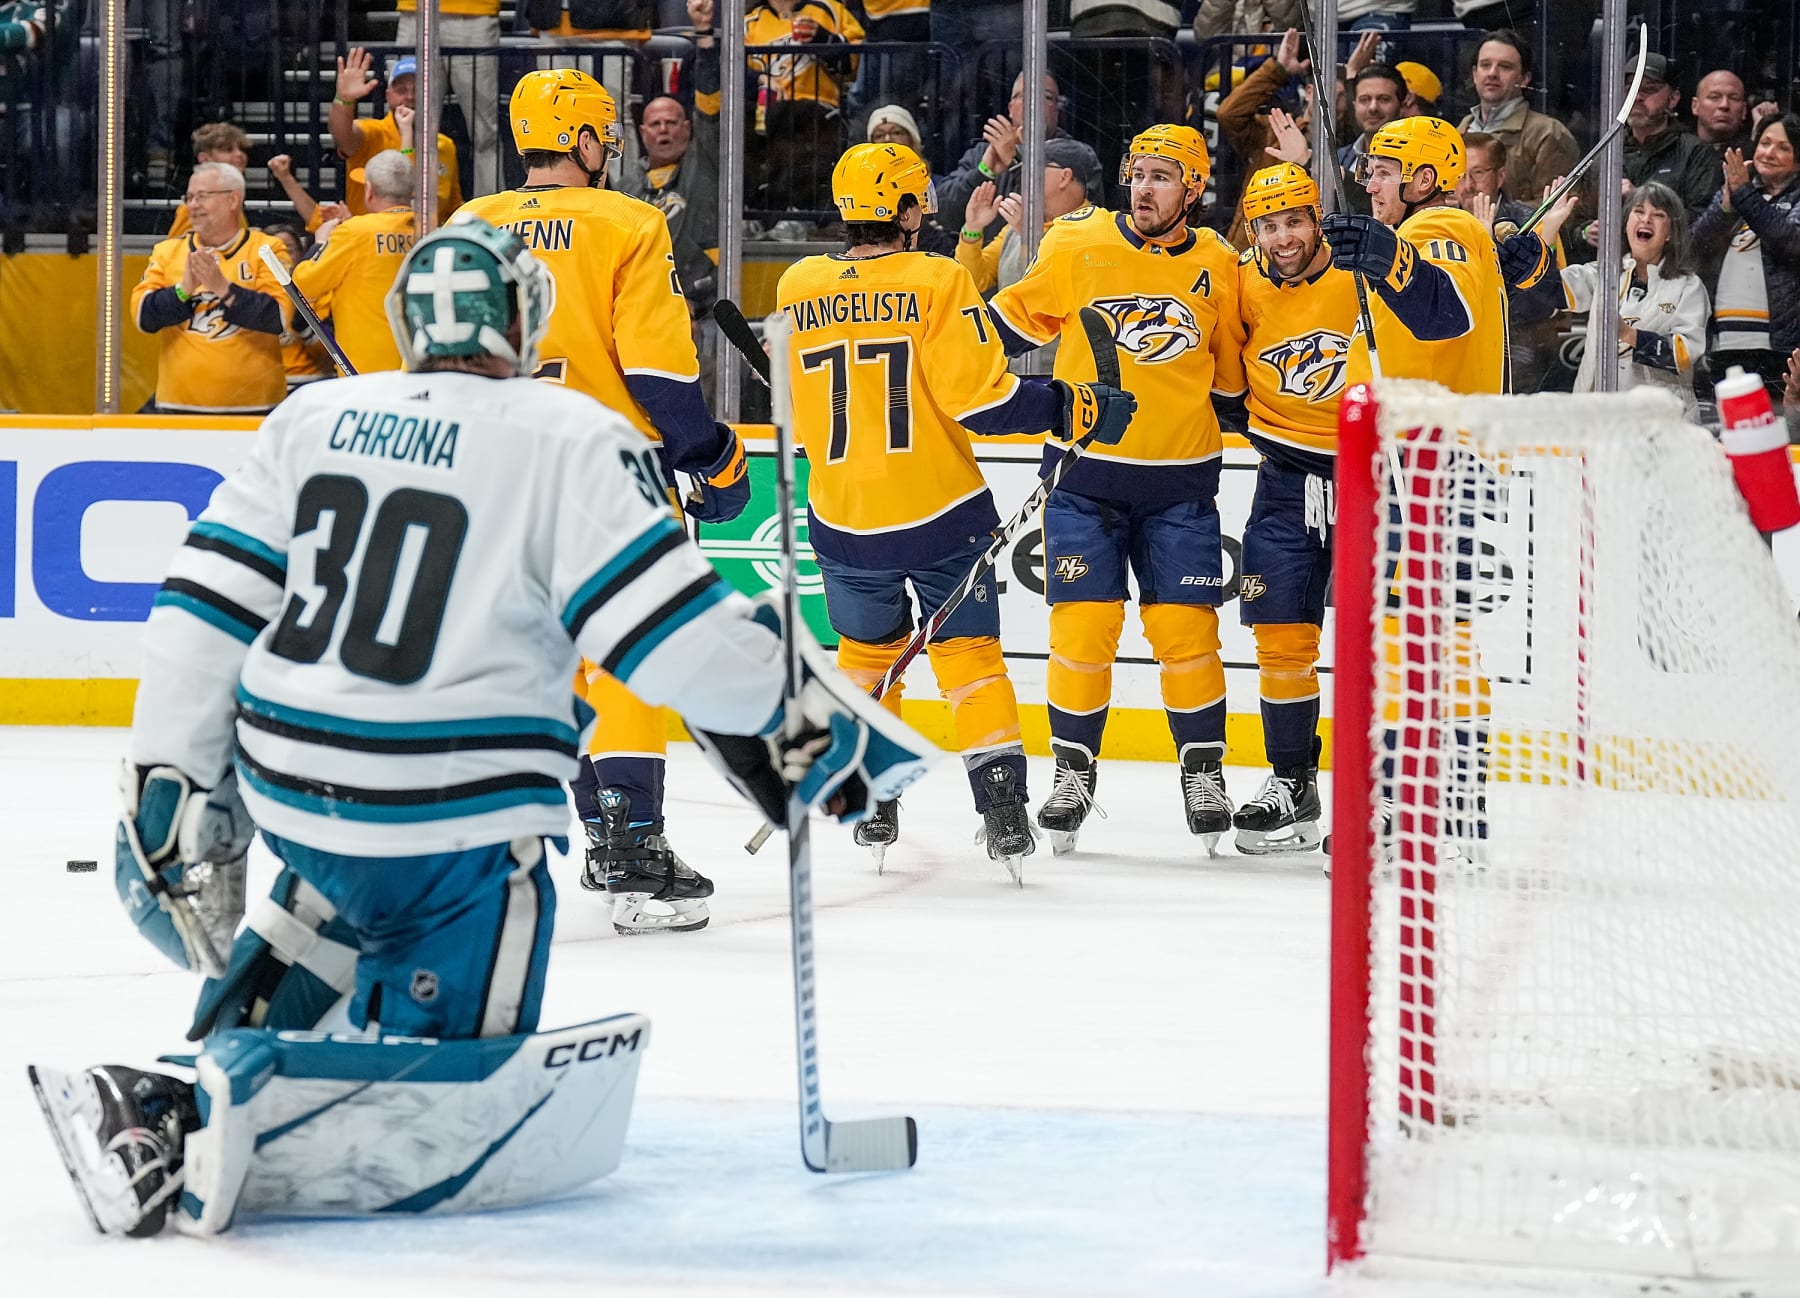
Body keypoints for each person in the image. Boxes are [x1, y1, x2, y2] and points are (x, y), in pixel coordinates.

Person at [32, 216, 930, 1240]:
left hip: (296, 794)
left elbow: (201, 605)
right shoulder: (570, 433)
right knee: (442, 1063)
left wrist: (171, 781)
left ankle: (174, 1086)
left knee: (338, 898)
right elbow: (676, 642)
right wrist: (820, 732)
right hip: (452, 824)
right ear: (522, 322)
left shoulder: (313, 416)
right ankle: (240, 1095)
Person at [776, 142, 1135, 876]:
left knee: (867, 659)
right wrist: (1075, 403)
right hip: (939, 510)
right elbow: (986, 401)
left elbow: (798, 411)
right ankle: (1002, 808)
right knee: (970, 661)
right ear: (908, 210)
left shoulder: (796, 281)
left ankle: (873, 795)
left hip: (841, 514)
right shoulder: (937, 278)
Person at [457, 68, 751, 935]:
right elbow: (658, 372)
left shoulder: (471, 224)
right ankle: (630, 843)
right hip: (605, 470)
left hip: (499, 471)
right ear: (584, 140)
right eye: (603, 135)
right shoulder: (629, 220)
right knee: (624, 657)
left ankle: (591, 837)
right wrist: (714, 455)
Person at [987, 125, 1249, 856]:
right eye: (1138, 174)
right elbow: (1005, 324)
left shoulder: (1220, 265)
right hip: (1081, 479)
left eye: (1163, 177)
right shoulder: (1078, 243)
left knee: (1187, 636)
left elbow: (1230, 381)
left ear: (1193, 189)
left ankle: (1204, 772)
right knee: (1082, 631)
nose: (1143, 189)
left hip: (1181, 484)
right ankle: (1072, 772)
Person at [1322, 116, 1511, 861]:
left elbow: (1444, 316)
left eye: (1381, 170)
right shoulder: (1436, 232)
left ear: (1424, 178)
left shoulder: (1440, 229)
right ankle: (1453, 798)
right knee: (1433, 635)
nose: (1368, 182)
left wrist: (1385, 257)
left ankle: (1408, 800)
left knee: (1415, 634)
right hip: (1419, 465)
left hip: (1435, 468)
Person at [1227, 163, 1370, 855]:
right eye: (1268, 224)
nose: (1282, 238)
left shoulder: (1361, 272)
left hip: (1371, 476)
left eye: (1294, 221)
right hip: (1282, 476)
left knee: (1378, 645)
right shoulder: (1241, 281)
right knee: (1282, 642)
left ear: (1317, 219)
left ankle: (1380, 792)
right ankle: (1292, 781)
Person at [131, 162, 289, 415]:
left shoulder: (268, 250)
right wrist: (183, 290)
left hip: (257, 407)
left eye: (202, 196)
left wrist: (224, 289)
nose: (192, 205)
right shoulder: (167, 251)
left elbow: (279, 317)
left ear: (233, 200)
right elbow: (143, 317)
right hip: (178, 406)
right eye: (190, 197)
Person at [689, 0, 864, 224]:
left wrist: (822, 39)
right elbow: (730, 68)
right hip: (768, 117)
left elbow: (855, 63)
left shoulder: (828, 9)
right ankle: (763, 217)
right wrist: (761, 79)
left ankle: (811, 220)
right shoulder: (748, 23)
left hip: (819, 116)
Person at [1555, 181, 1709, 418]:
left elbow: (1686, 354)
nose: (1646, 220)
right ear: (1626, 223)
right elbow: (1549, 290)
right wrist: (1548, 230)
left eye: (1657, 215)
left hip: (1664, 425)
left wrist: (1628, 334)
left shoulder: (1688, 286)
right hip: (1601, 421)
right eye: (1638, 211)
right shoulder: (1603, 274)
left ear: (1670, 233)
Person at [1692, 112, 1800, 408]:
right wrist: (1726, 206)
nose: (1769, 153)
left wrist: (1743, 194)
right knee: (1727, 436)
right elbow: (1693, 248)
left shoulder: (1751, 192)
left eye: (1783, 147)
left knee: (1771, 435)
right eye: (1765, 143)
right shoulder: (1739, 193)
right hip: (1723, 342)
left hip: (1776, 347)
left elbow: (1789, 242)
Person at [291, 150, 418, 375]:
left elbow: (305, 285)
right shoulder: (430, 228)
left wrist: (320, 243)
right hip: (419, 365)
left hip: (365, 370)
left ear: (369, 191)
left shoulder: (355, 232)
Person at [958, 136, 1103, 304]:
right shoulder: (1019, 224)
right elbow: (974, 281)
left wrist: (1031, 238)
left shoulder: (1096, 228)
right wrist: (972, 229)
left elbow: (1064, 293)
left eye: (1034, 166)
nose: (1024, 174)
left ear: (1064, 177)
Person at [330, 48, 464, 224]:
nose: (409, 96)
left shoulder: (444, 145)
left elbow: (453, 208)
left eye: (417, 89)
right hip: (370, 242)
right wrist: (344, 100)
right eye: (401, 89)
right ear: (388, 95)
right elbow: (342, 135)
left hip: (423, 247)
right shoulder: (372, 132)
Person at [936, 71, 1068, 244]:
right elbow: (942, 212)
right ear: (1011, 108)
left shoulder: (1075, 155)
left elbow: (1069, 219)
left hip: (1049, 262)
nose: (1033, 103)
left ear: (1057, 110)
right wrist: (983, 172)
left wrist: (1014, 162)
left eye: (1046, 97)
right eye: (1024, 96)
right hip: (986, 265)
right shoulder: (983, 153)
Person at [620, 95, 720, 321]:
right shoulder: (625, 187)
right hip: (640, 307)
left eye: (671, 123)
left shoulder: (705, 170)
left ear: (687, 128)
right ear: (643, 132)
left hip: (702, 308)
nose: (663, 129)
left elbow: (710, 123)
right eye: (655, 124)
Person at [393, 0, 503, 197]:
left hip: (474, 14)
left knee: (484, 131)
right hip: (415, 12)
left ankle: (491, 211)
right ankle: (398, 205)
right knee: (407, 122)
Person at [1457, 30, 1578, 208]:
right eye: (1485, 65)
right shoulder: (1460, 129)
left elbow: (1559, 207)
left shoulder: (1548, 133)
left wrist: (1496, 216)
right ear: (1475, 74)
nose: (1492, 73)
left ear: (1525, 78)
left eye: (1505, 66)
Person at [1617, 52, 1720, 225]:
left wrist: (1641, 200)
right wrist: (1584, 232)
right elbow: (1579, 215)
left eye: (1649, 89)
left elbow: (1704, 221)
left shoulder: (1695, 153)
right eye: (1630, 88)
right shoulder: (1608, 150)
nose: (1637, 97)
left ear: (1673, 99)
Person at [263, 219, 334, 391]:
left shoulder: (316, 292)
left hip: (310, 382)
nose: (281, 256)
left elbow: (327, 354)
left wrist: (304, 328)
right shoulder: (251, 295)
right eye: (273, 252)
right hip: (265, 385)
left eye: (288, 249)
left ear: (301, 254)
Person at [166, 122, 252, 241]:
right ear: (204, 158)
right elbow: (175, 252)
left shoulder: (232, 198)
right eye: (228, 150)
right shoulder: (193, 208)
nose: (239, 154)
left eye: (241, 149)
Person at [1341, 64, 1409, 175]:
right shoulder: (1340, 157)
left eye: (1384, 99)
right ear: (1355, 106)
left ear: (1402, 106)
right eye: (1364, 99)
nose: (1373, 107)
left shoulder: (1415, 161)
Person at [1693, 68, 1751, 164]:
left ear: (1744, 110)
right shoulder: (1677, 153)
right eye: (1714, 97)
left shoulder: (1758, 159)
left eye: (1733, 98)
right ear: (1695, 106)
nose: (1724, 105)